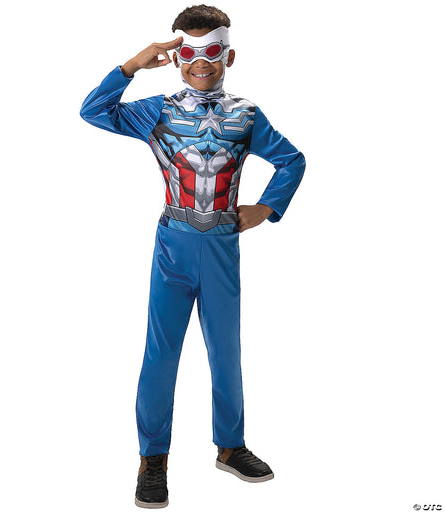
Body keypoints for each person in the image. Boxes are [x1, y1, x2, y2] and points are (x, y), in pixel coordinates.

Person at [80, 4, 306, 508]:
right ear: (177, 57)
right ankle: (152, 458)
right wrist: (130, 66)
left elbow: (292, 159)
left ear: (229, 55)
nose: (200, 62)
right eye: (189, 52)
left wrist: (267, 207)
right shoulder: (156, 111)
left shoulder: (247, 115)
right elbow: (93, 111)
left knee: (226, 350)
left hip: (223, 242)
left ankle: (230, 446)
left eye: (212, 51)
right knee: (161, 353)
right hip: (173, 244)